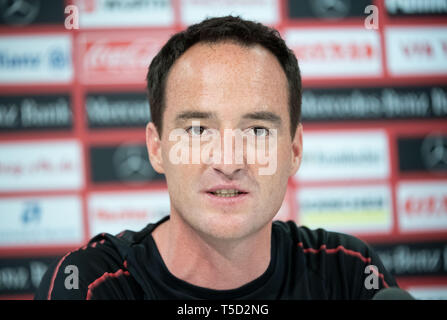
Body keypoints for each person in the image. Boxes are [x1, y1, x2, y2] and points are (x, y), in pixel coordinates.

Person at [35, 15, 397, 300]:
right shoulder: (91, 284)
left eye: (257, 131)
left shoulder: (349, 272)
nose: (228, 161)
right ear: (157, 148)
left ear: (294, 150)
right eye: (197, 131)